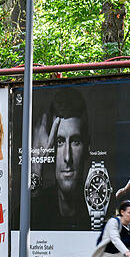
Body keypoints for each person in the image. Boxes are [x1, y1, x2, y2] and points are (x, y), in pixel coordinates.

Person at [30, 88, 90, 230]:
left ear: (87, 146)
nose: (67, 157)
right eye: (59, 142)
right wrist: (36, 167)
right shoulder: (36, 208)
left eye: (75, 141)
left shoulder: (101, 211)